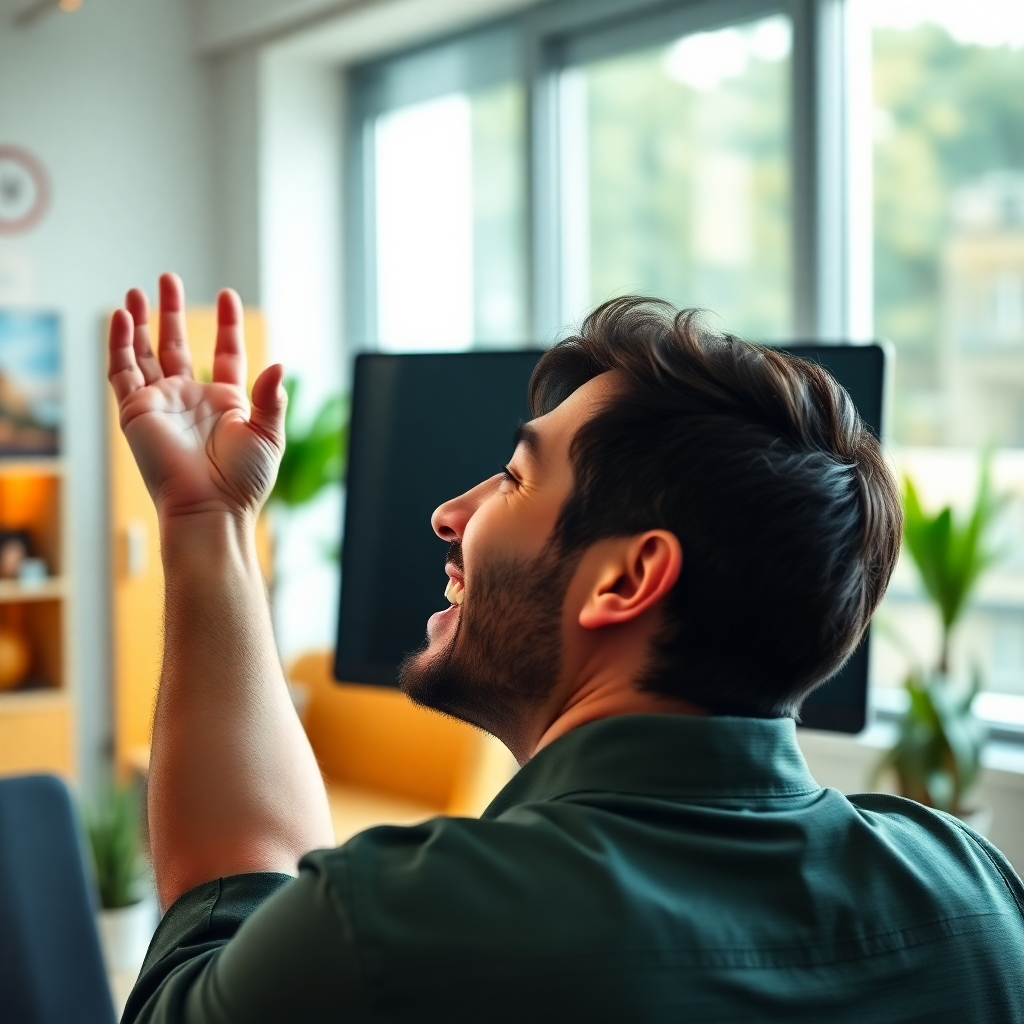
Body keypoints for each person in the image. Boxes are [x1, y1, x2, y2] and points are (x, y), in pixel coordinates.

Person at [110, 275, 1023, 1023]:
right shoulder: (977, 902)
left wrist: (203, 528)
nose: (450, 514)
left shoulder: (393, 931)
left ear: (626, 581)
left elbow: (204, 956)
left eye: (514, 477)